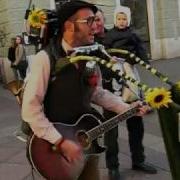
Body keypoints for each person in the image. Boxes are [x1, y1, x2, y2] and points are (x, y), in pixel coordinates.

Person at [22, 1, 150, 180]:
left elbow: (96, 92)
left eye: (96, 20)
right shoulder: (45, 58)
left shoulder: (89, 55)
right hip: (55, 148)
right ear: (69, 25)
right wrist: (60, 141)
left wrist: (127, 108)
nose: (96, 26)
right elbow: (30, 109)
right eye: (89, 21)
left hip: (86, 136)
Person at [95, 7, 157, 180]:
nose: (97, 23)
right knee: (111, 131)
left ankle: (139, 159)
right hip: (110, 91)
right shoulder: (94, 41)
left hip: (130, 86)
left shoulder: (118, 35)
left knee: (136, 125)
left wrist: (138, 59)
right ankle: (112, 167)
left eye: (100, 19)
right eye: (94, 20)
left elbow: (139, 50)